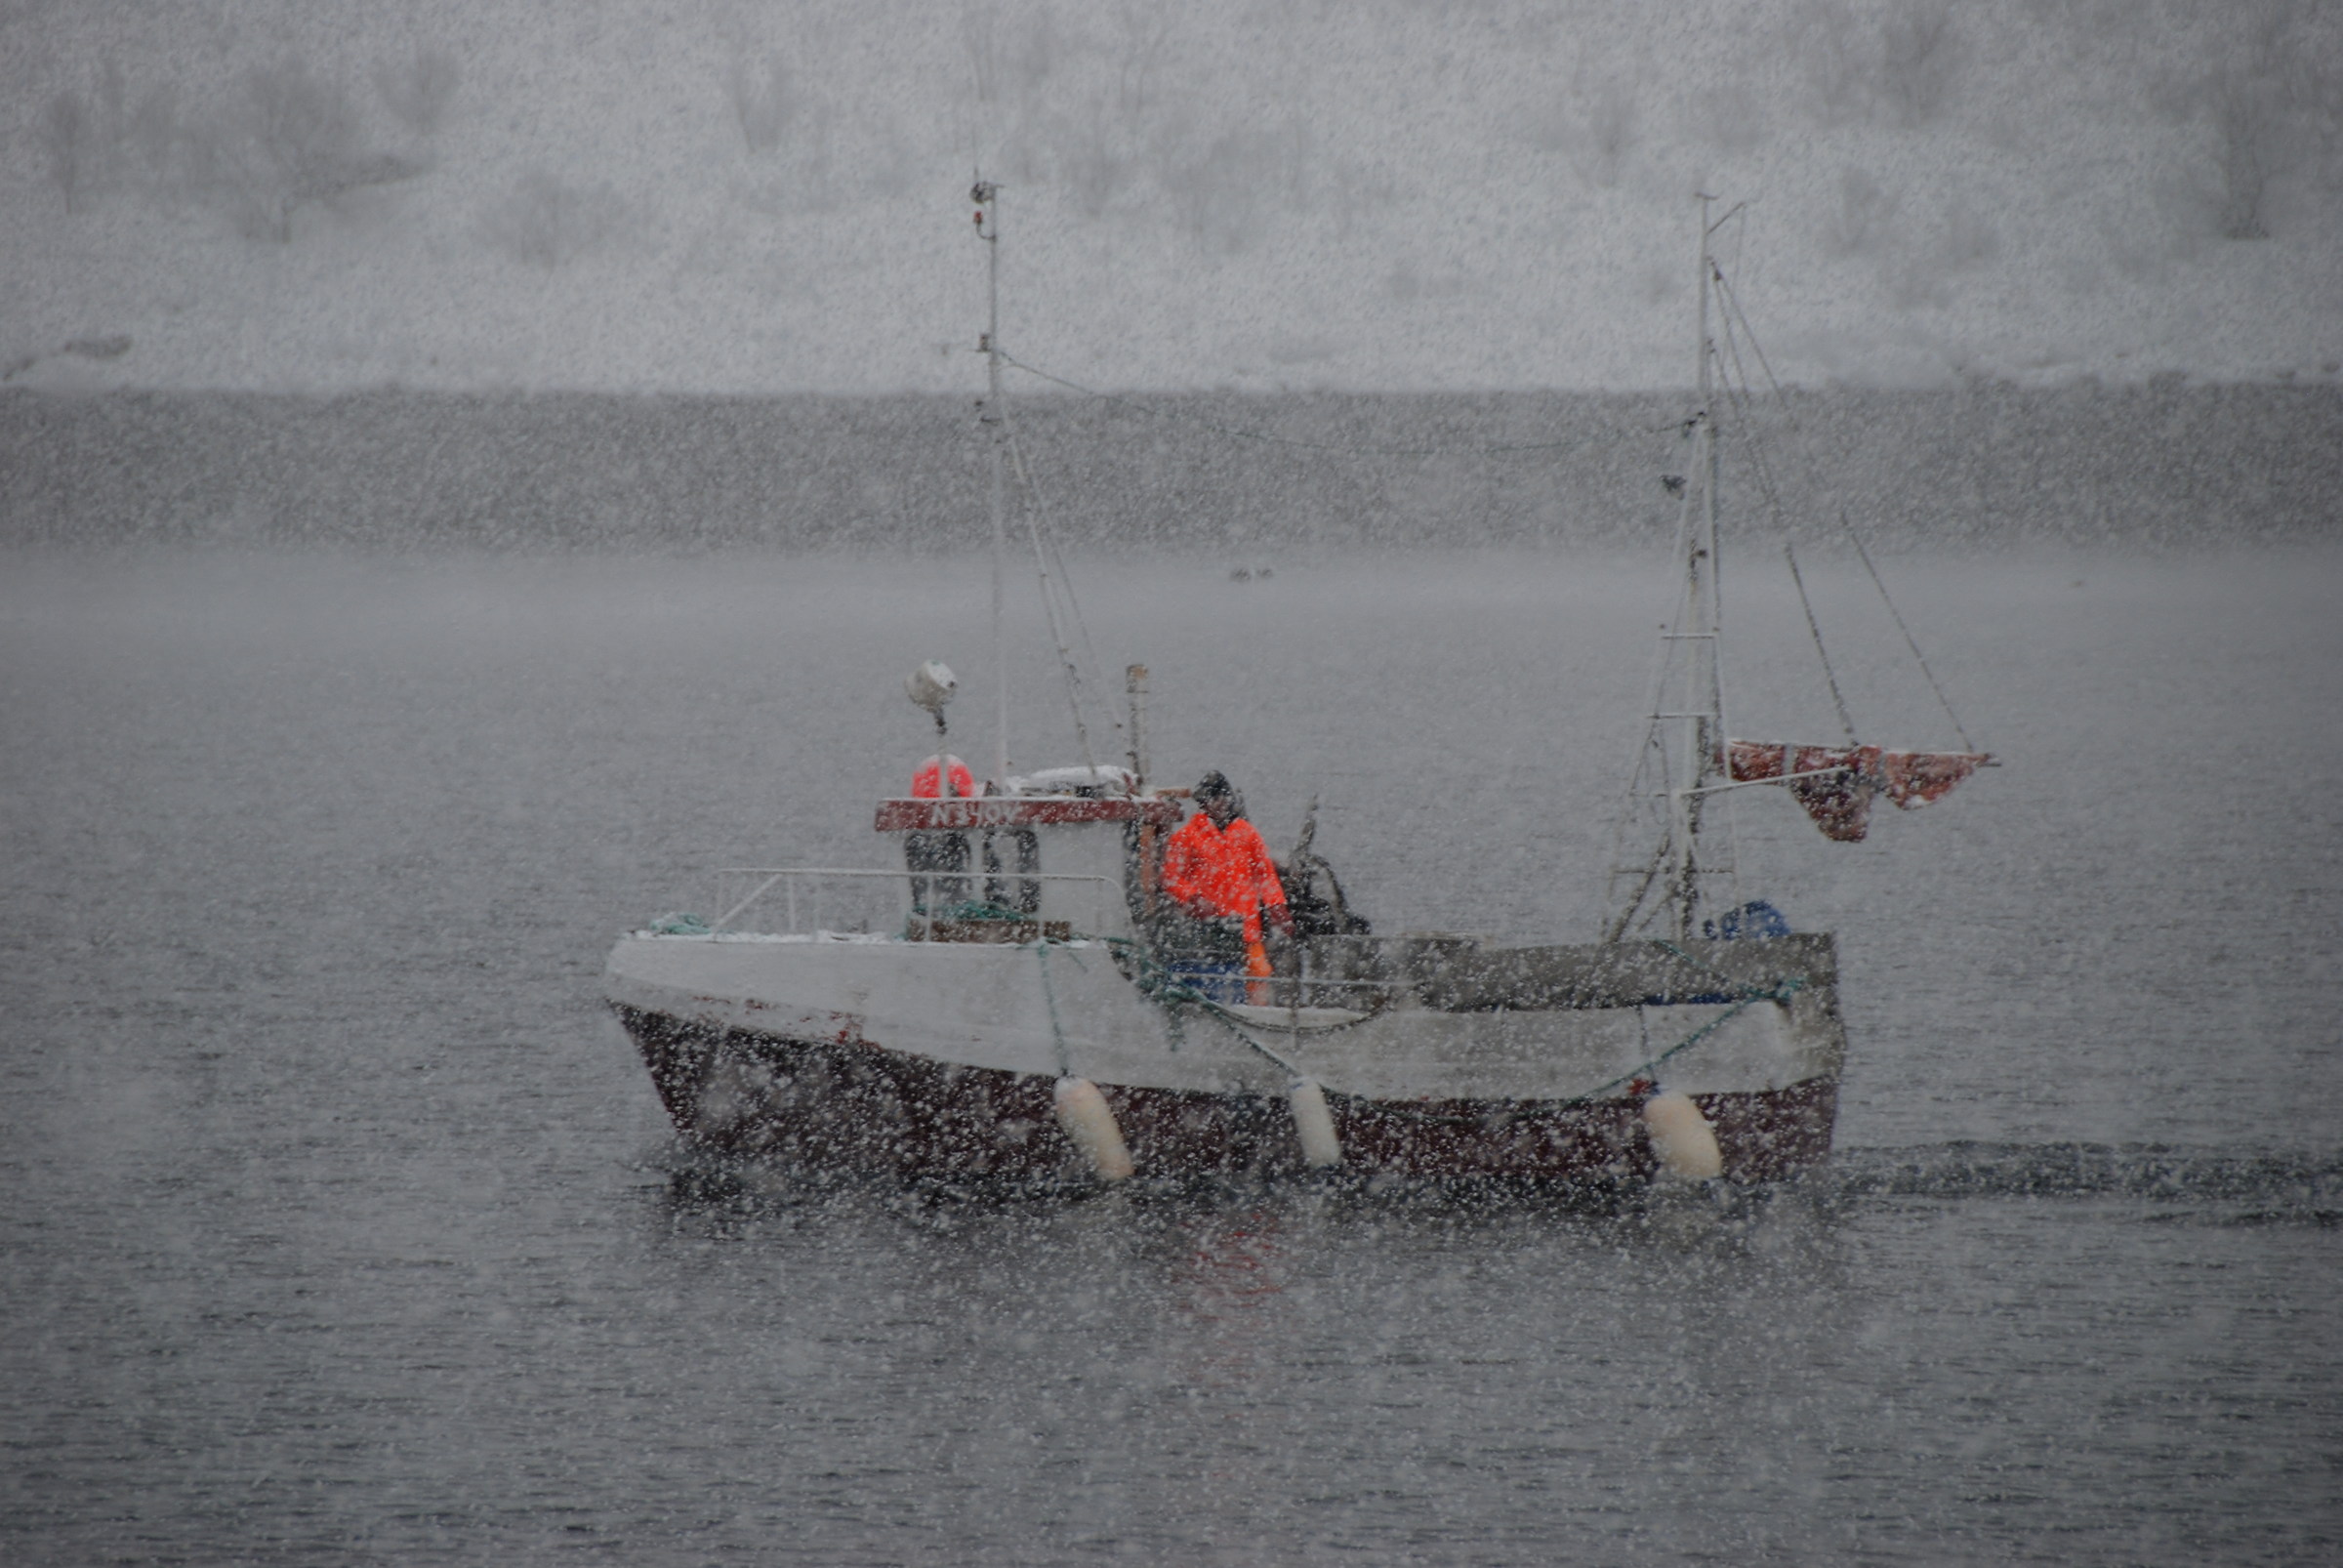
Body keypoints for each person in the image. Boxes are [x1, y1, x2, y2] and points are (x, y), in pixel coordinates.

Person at [1160, 771, 1290, 1001]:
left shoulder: (1247, 833)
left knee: (1259, 975)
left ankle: (1255, 1021)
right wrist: (1193, 898)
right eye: (1213, 798)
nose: (1220, 803)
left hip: (1248, 928)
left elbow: (1265, 875)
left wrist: (1277, 905)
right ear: (1203, 803)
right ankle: (1226, 1013)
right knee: (1218, 980)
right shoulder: (1186, 837)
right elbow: (1171, 878)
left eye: (1223, 797)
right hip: (1209, 929)